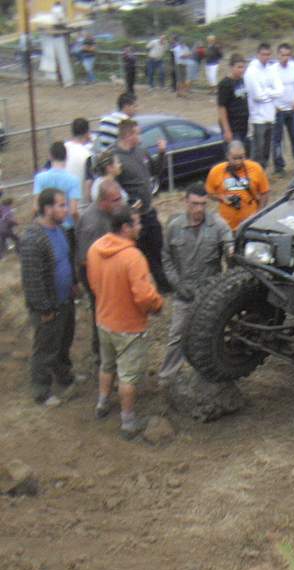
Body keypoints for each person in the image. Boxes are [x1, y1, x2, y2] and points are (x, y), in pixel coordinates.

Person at [87, 206, 163, 438]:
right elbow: (144, 296)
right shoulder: (133, 257)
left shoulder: (95, 249)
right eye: (137, 223)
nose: (141, 227)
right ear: (126, 227)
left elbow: (93, 283)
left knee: (107, 365)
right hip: (128, 326)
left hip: (103, 319)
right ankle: (128, 422)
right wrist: (158, 304)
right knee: (128, 376)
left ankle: (102, 402)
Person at [159, 184, 233, 384]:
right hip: (184, 293)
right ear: (186, 202)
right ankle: (168, 376)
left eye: (202, 204)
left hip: (209, 295)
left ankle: (210, 375)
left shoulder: (218, 226)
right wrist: (176, 284)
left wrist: (231, 250)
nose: (198, 209)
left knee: (210, 337)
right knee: (177, 335)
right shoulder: (174, 227)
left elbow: (230, 250)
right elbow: (166, 258)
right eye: (194, 204)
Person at [19, 189, 78, 408]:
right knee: (45, 349)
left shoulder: (61, 230)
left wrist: (73, 284)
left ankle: (64, 375)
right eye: (61, 205)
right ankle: (41, 390)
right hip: (48, 306)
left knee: (64, 342)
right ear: (47, 209)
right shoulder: (33, 238)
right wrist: (44, 308)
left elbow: (66, 260)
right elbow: (32, 280)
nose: (66, 209)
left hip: (65, 300)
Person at [113, 119, 169, 291]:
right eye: (138, 133)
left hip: (149, 211)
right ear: (129, 135)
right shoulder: (115, 158)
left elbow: (155, 171)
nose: (141, 137)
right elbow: (113, 186)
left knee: (157, 246)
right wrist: (128, 204)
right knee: (137, 253)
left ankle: (162, 284)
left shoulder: (141, 151)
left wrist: (161, 153)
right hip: (133, 218)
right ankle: (139, 286)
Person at [76, 179, 124, 359]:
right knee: (102, 313)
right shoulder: (92, 224)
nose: (120, 203)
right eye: (116, 200)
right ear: (103, 201)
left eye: (120, 198)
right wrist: (103, 284)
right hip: (95, 278)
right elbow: (84, 261)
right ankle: (101, 353)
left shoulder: (109, 212)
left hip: (107, 274)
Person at [205, 141, 269, 232]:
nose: (238, 161)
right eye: (234, 158)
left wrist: (259, 213)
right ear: (227, 156)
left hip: (250, 224)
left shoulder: (255, 168)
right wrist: (222, 198)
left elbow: (265, 192)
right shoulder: (216, 171)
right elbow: (209, 193)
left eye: (241, 157)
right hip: (227, 226)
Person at [33, 142, 81, 250]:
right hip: (67, 229)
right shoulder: (73, 180)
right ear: (66, 157)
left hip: (45, 228)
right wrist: (79, 225)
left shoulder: (40, 178)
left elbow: (36, 207)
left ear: (50, 156)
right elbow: (73, 211)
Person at [244, 43, 283, 170]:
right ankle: (254, 175)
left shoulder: (271, 69)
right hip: (257, 117)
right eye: (263, 54)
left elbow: (280, 90)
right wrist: (271, 93)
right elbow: (257, 95)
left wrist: (267, 92)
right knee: (257, 150)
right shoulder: (251, 71)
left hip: (270, 115)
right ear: (258, 54)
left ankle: (262, 174)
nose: (266, 57)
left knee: (266, 149)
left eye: (268, 54)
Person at [272, 43, 294, 177]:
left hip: (292, 109)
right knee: (277, 140)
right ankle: (279, 167)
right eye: (282, 55)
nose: (285, 58)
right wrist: (274, 106)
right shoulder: (272, 69)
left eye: (287, 55)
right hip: (278, 109)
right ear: (278, 55)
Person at [217, 54, 249, 146]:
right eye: (239, 67)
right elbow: (221, 108)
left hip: (243, 125)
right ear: (231, 67)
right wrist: (227, 130)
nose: (241, 70)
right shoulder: (225, 84)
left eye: (243, 67)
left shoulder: (242, 81)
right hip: (232, 126)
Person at [64, 117, 92, 204]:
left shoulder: (62, 148)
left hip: (59, 203)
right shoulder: (87, 155)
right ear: (87, 133)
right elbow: (88, 185)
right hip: (78, 205)